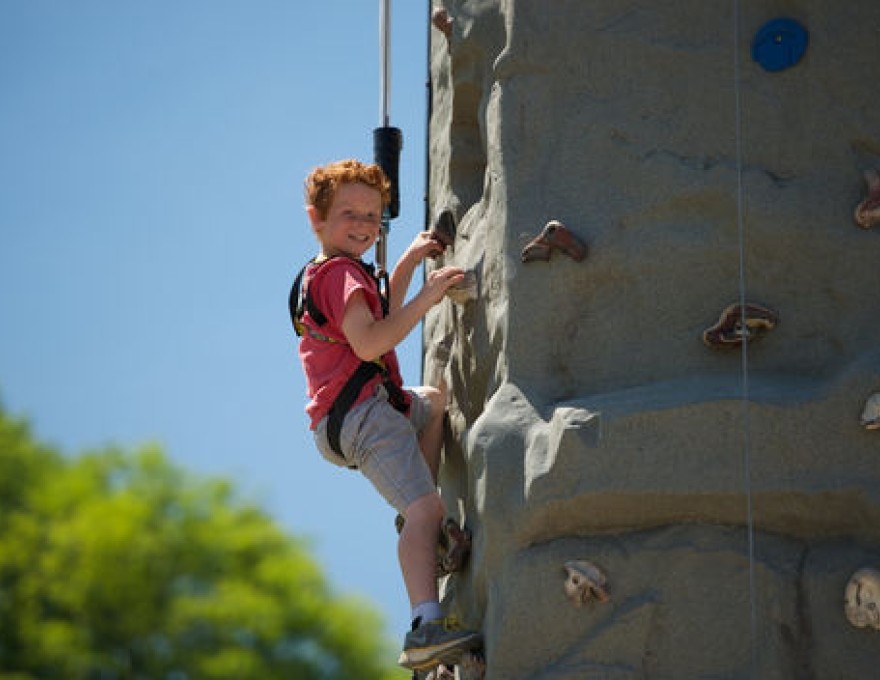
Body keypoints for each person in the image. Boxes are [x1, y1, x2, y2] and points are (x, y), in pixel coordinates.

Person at [293, 159, 482, 671]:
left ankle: (415, 516)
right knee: (428, 512)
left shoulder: (329, 274)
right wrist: (431, 293)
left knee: (434, 403)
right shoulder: (340, 276)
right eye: (348, 213)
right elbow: (374, 339)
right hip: (361, 416)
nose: (362, 224)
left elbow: (379, 311)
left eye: (373, 216)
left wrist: (410, 260)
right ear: (317, 218)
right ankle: (425, 625)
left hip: (356, 414)